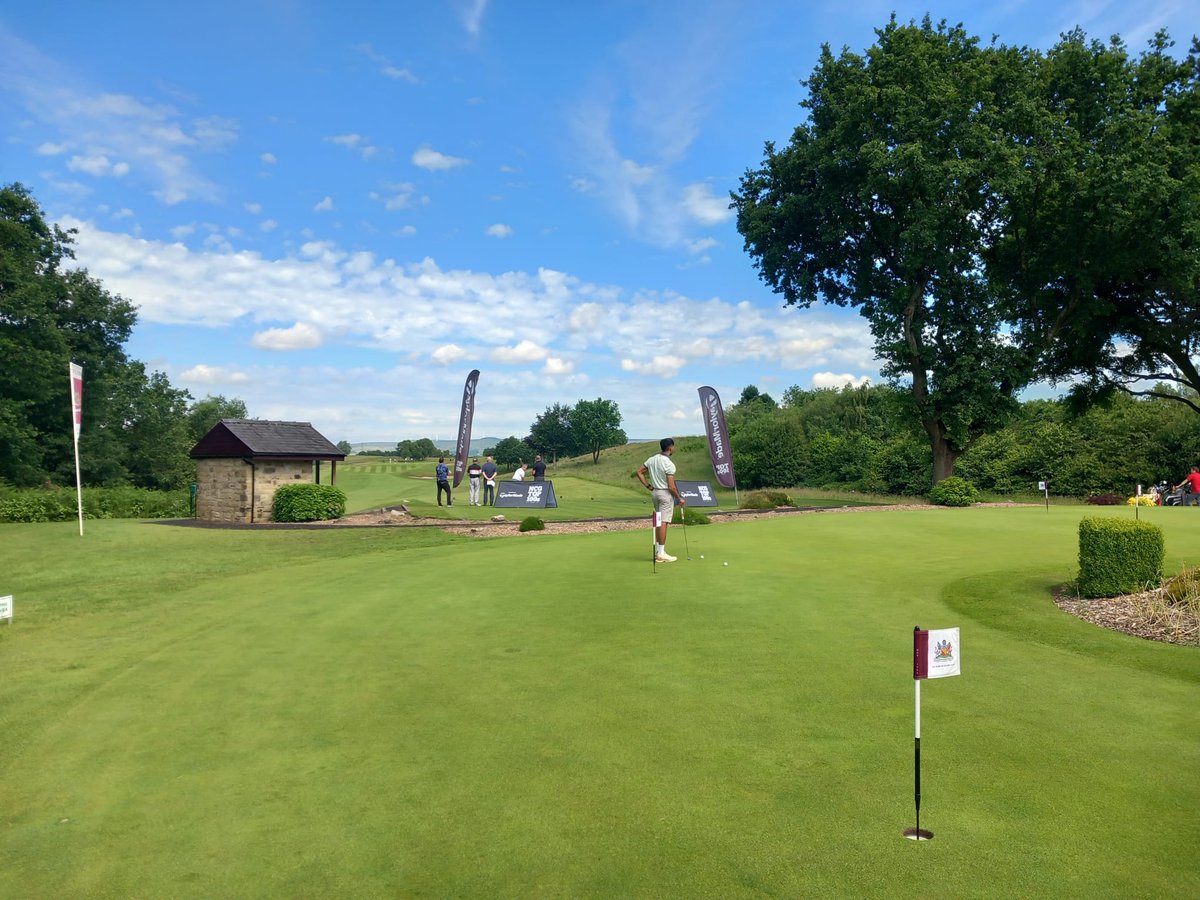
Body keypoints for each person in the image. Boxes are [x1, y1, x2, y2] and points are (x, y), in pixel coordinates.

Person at [636, 437, 685, 563]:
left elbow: (639, 472)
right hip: (664, 494)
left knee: (658, 521)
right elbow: (671, 486)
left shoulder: (652, 459)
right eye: (673, 447)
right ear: (670, 448)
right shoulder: (669, 464)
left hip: (655, 493)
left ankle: (659, 551)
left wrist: (648, 486)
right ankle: (661, 553)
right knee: (664, 522)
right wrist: (679, 498)